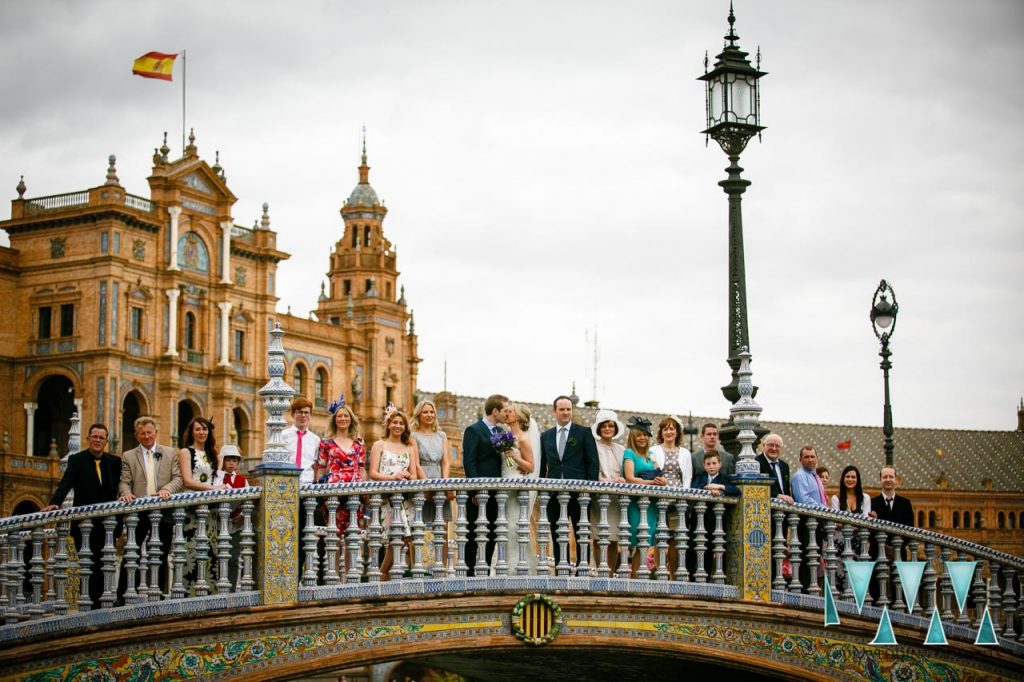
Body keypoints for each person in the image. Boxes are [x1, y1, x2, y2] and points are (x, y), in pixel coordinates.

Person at [42, 423, 120, 609]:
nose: (98, 441)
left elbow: (121, 487)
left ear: (106, 441)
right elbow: (66, 482)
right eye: (94, 437)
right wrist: (55, 501)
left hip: (107, 525)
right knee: (88, 565)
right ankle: (92, 605)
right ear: (88, 439)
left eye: (101, 438)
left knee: (106, 563)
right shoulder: (77, 460)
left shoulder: (114, 462)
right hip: (84, 524)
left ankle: (105, 601)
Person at [118, 416, 182, 601]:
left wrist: (166, 489)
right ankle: (125, 593)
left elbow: (177, 478)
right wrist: (126, 493)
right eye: (142, 434)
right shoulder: (129, 456)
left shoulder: (170, 453)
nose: (147, 436)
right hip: (139, 508)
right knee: (132, 550)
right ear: (137, 436)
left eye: (149, 433)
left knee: (161, 552)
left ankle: (158, 593)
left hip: (163, 508)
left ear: (156, 433)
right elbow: (124, 480)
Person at [538, 395, 599, 569]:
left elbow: (592, 463)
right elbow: (543, 467)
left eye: (568, 409)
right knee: (557, 535)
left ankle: (583, 570)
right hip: (554, 494)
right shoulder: (546, 436)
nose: (565, 413)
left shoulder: (584, 432)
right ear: (554, 411)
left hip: (579, 494)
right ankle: (561, 568)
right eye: (562, 409)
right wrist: (543, 491)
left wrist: (589, 491)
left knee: (581, 534)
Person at [369, 407, 422, 579]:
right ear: (389, 424)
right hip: (387, 496)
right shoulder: (379, 445)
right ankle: (384, 573)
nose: (397, 426)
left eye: (401, 423)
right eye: (394, 422)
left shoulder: (409, 448)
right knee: (395, 536)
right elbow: (373, 473)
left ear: (405, 427)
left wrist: (407, 475)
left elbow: (414, 474)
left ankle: (384, 573)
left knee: (406, 536)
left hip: (404, 498)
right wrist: (393, 477)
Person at [178, 416, 228, 592]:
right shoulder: (186, 452)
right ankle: (190, 591)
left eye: (205, 429)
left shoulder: (212, 454)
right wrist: (211, 489)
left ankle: (210, 590)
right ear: (191, 432)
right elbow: (187, 481)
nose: (201, 432)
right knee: (192, 550)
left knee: (210, 548)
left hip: (210, 508)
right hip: (192, 507)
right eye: (198, 429)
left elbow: (217, 477)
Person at [461, 394, 508, 576]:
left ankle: (485, 572)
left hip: (497, 493)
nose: (506, 414)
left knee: (492, 534)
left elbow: (505, 462)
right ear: (495, 411)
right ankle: (470, 575)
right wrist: (476, 490)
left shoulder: (500, 432)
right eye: (504, 410)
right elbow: (469, 462)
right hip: (479, 494)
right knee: (474, 534)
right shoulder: (474, 430)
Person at [313, 394, 366, 549]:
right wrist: (318, 491)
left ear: (351, 419)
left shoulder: (358, 442)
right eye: (339, 416)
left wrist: (366, 491)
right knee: (334, 536)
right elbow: (321, 468)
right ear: (334, 419)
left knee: (352, 536)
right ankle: (333, 572)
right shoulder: (326, 442)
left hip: (355, 491)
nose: (343, 419)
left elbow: (362, 468)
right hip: (333, 491)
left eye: (346, 416)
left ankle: (350, 573)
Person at [282, 397, 322, 571]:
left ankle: (299, 574)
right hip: (286, 491)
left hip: (306, 490)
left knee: (306, 535)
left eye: (306, 413)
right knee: (286, 533)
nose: (303, 416)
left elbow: (316, 466)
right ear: (292, 414)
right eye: (299, 412)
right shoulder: (282, 436)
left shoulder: (315, 440)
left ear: (310, 416)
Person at [621, 416, 665, 576]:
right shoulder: (629, 453)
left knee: (645, 543)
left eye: (645, 435)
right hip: (635, 504)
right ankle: (630, 580)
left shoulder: (651, 455)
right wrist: (652, 482)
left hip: (651, 505)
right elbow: (630, 478)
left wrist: (661, 480)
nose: (642, 438)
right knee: (634, 539)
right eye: (639, 435)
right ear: (633, 437)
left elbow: (659, 473)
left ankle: (639, 579)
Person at [498, 403, 536, 573]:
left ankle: (519, 567)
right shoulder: (505, 437)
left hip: (518, 485)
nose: (507, 413)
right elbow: (509, 463)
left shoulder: (523, 439)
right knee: (504, 526)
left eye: (510, 411)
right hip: (505, 483)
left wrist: (515, 457)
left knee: (515, 527)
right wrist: (510, 458)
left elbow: (530, 467)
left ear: (518, 417)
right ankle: (503, 566)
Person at [590, 409, 626, 572]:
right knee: (599, 537)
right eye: (604, 426)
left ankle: (610, 573)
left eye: (611, 426)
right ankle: (601, 572)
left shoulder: (621, 449)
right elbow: (592, 472)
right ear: (599, 428)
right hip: (600, 498)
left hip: (617, 499)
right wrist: (610, 481)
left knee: (614, 538)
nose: (607, 429)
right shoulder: (593, 447)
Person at [410, 399, 452, 526]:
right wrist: (427, 485)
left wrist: (445, 484)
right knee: (420, 525)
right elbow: (416, 463)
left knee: (441, 526)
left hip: (439, 478)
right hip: (422, 479)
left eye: (432, 412)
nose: (429, 415)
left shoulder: (441, 435)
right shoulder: (413, 435)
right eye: (425, 412)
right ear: (419, 415)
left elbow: (446, 462)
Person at [213, 446, 247, 588]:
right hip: (218, 524)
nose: (231, 464)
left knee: (233, 559)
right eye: (228, 460)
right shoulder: (216, 478)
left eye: (234, 460)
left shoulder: (242, 480)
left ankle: (231, 588)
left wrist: (242, 516)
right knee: (217, 557)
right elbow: (214, 489)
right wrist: (219, 471)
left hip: (235, 525)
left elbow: (248, 500)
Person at [756, 433, 794, 504]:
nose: (774, 448)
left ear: (781, 448)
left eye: (777, 446)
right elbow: (756, 488)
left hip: (785, 509)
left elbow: (786, 491)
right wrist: (777, 495)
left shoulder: (785, 466)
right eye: (770, 445)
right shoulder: (756, 463)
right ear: (764, 446)